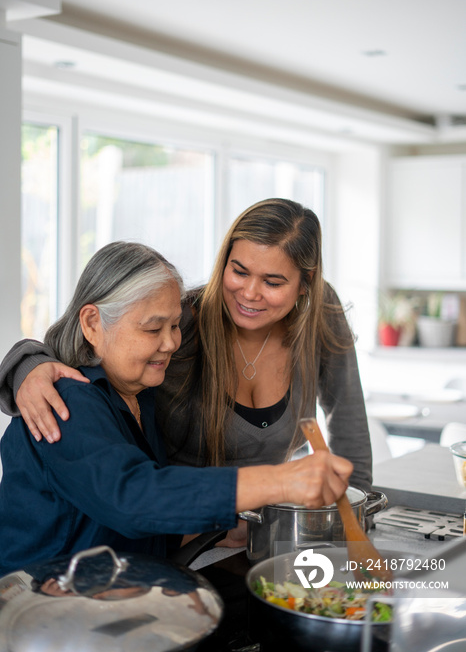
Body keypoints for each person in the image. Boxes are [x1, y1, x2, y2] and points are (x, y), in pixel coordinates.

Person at [0, 240, 352, 578]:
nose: (170, 343)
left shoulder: (141, 395)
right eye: (153, 328)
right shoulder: (65, 402)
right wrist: (281, 481)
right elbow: (134, 498)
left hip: (108, 600)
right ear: (93, 323)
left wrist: (213, 526)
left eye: (174, 325)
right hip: (39, 615)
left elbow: (114, 523)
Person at [0, 199, 370, 485]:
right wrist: (26, 366)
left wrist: (359, 517)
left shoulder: (320, 312)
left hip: (267, 529)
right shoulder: (179, 323)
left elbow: (349, 425)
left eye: (273, 282)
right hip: (181, 532)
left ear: (305, 285)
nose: (250, 293)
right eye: (239, 271)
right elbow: (79, 342)